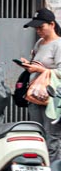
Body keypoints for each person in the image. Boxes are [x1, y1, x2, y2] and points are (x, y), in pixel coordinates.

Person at [20, 8, 61, 162]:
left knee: (52, 138)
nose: (38, 31)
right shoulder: (39, 43)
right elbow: (36, 64)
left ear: (52, 24)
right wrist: (28, 65)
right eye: (36, 28)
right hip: (36, 96)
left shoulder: (58, 45)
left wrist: (40, 69)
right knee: (38, 135)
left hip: (53, 99)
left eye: (41, 27)